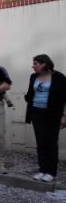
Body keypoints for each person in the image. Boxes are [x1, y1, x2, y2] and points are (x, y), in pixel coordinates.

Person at [24, 54, 66, 183]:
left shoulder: (58, 77)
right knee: (40, 142)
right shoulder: (33, 76)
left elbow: (65, 98)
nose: (33, 66)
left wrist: (64, 116)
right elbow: (31, 93)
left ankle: (51, 172)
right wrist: (28, 98)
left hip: (52, 114)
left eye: (35, 63)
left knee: (51, 143)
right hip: (36, 113)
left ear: (44, 64)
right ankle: (42, 170)